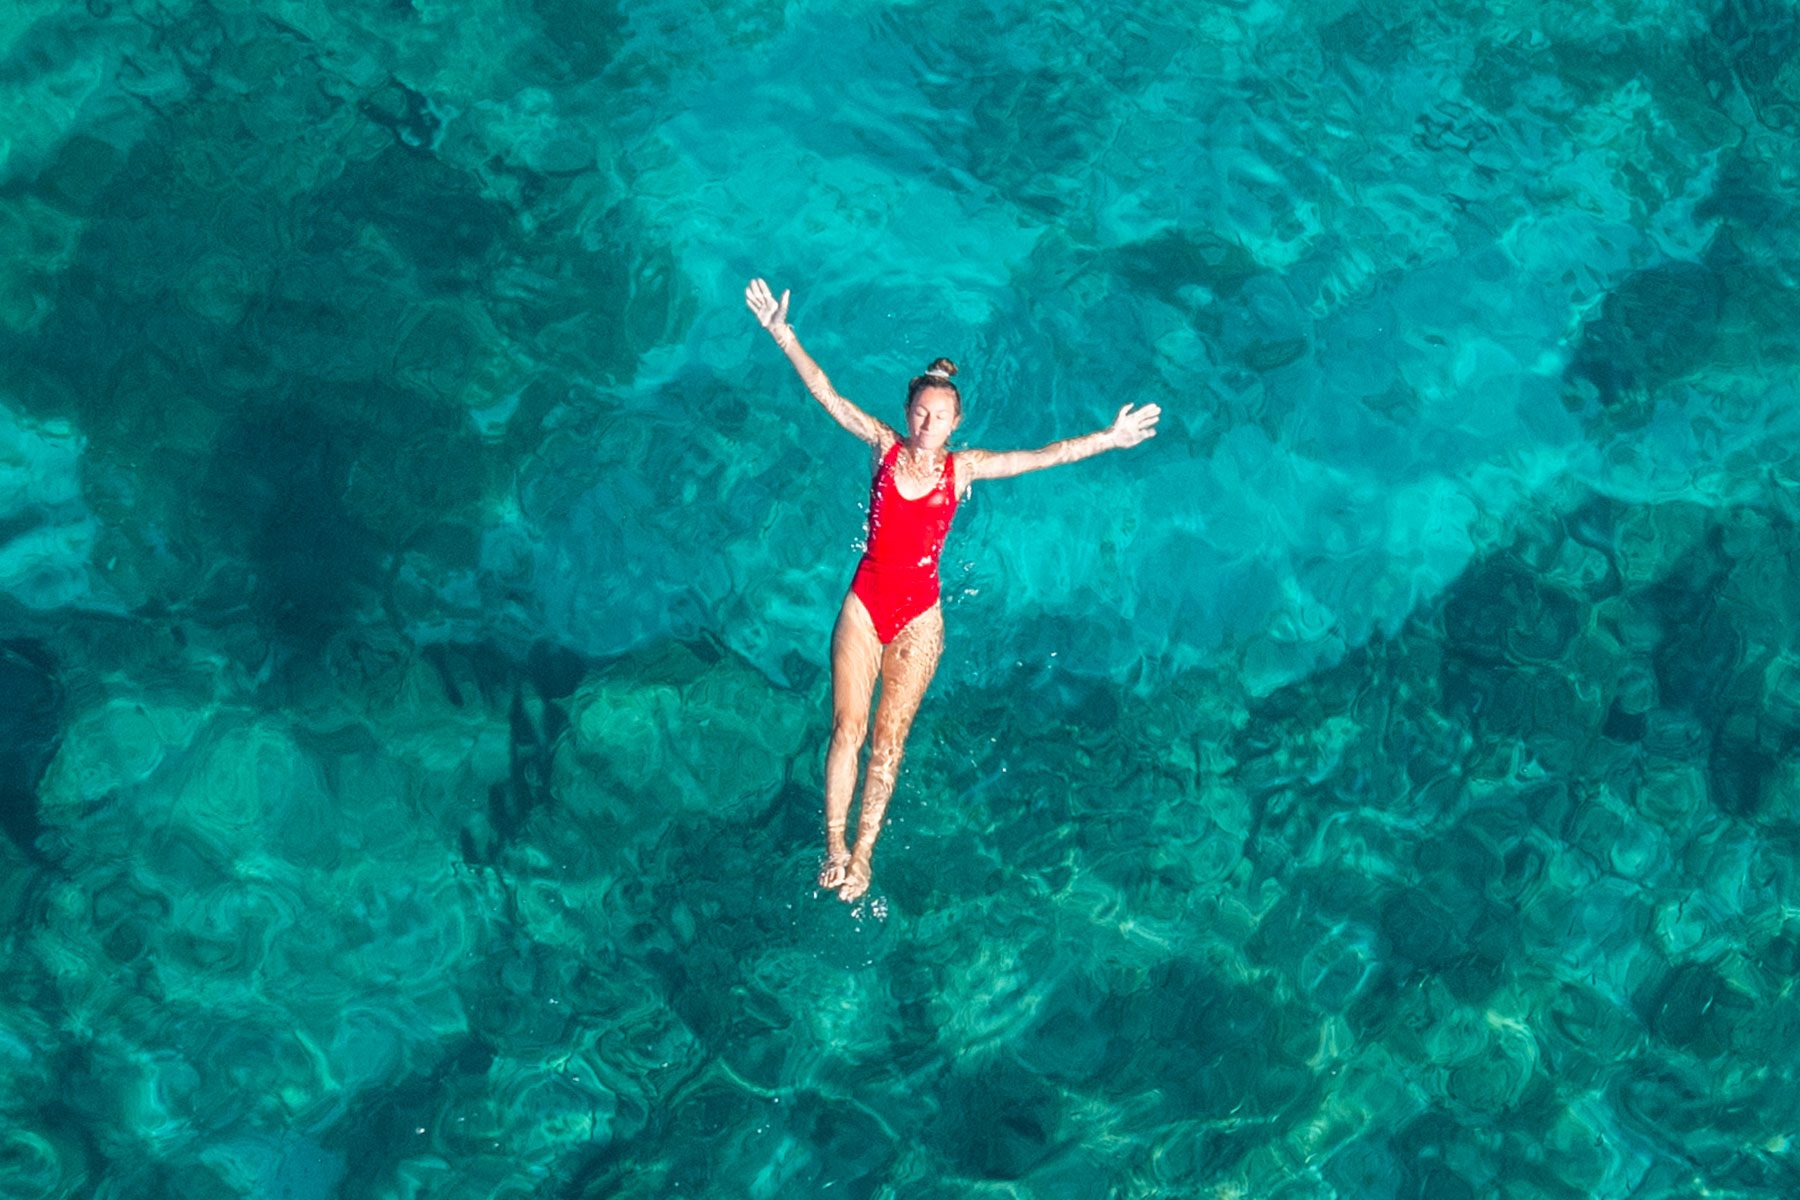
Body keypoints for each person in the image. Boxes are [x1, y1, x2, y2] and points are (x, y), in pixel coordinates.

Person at [744, 278, 1161, 902]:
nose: (927, 423)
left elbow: (1040, 456)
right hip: (865, 605)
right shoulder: (883, 446)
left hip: (919, 617)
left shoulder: (964, 468)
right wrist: (783, 335)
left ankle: (863, 856)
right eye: (919, 412)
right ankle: (833, 846)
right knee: (846, 729)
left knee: (887, 744)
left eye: (939, 417)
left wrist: (1109, 437)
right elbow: (827, 393)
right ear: (907, 409)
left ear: (955, 423)